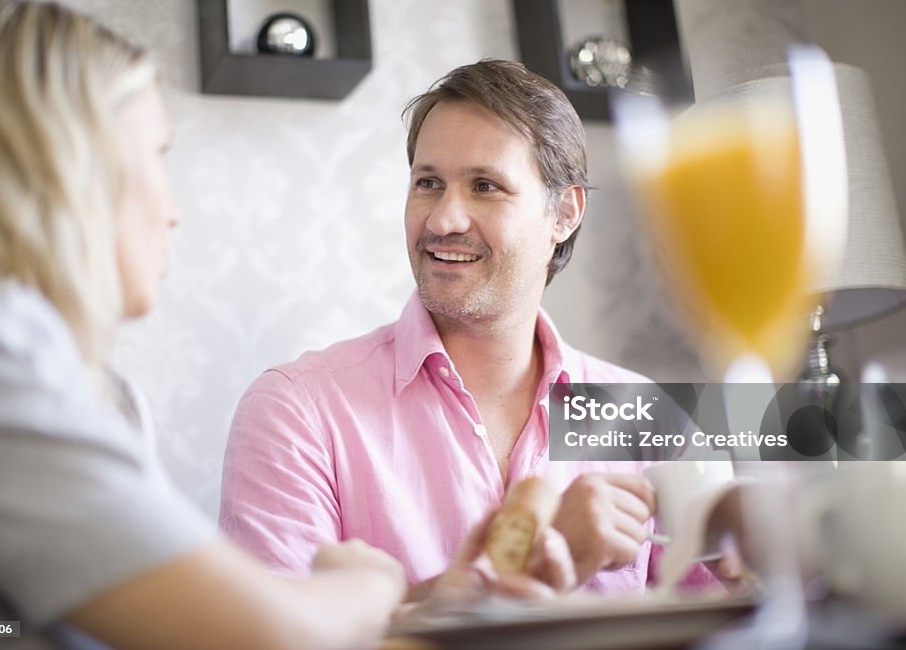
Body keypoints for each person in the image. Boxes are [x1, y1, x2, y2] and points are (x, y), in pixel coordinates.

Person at [0, 0, 414, 650]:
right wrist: (372, 582)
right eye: (156, 155)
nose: (173, 210)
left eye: (489, 186)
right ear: (66, 166)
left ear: (565, 214)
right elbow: (262, 631)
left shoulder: (600, 390)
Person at [220, 60, 721, 599]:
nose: (442, 220)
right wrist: (501, 582)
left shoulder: (653, 417)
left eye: (485, 186)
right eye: (428, 183)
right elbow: (272, 636)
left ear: (564, 214)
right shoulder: (296, 411)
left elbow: (736, 621)